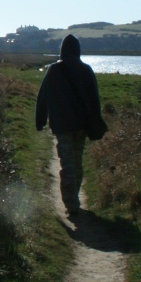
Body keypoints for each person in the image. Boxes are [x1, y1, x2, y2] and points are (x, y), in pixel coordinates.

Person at [35, 34, 102, 218]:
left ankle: (71, 204)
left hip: (61, 124)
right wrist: (96, 121)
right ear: (78, 50)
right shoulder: (86, 70)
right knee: (77, 162)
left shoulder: (54, 70)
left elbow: (43, 97)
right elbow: (94, 100)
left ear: (62, 50)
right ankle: (73, 200)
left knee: (67, 164)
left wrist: (40, 120)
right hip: (81, 124)